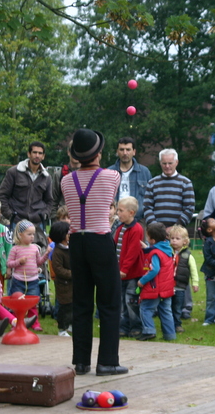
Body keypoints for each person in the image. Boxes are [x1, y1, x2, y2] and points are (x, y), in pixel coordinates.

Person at [61, 128, 127, 376]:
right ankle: (107, 361)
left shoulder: (66, 180)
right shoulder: (112, 176)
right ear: (98, 153)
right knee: (109, 301)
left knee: (81, 302)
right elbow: (108, 201)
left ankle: (81, 361)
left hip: (77, 241)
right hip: (100, 239)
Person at [0, 141, 52, 252]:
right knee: (14, 255)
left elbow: (50, 201)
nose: (37, 155)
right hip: (17, 221)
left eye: (40, 153)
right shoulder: (14, 172)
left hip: (37, 223)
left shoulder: (47, 177)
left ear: (43, 156)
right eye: (34, 152)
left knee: (38, 257)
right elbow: (1, 195)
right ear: (28, 154)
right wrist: (10, 214)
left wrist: (44, 215)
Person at [5, 220, 52, 331]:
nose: (32, 237)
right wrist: (18, 262)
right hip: (18, 280)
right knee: (18, 303)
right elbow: (9, 263)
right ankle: (17, 323)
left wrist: (46, 254)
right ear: (20, 235)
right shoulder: (15, 249)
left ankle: (35, 323)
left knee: (33, 303)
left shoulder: (35, 248)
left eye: (33, 234)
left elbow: (39, 262)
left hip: (33, 280)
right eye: (29, 234)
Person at [136, 222, 176, 341]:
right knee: (166, 310)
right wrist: (147, 248)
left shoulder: (155, 253)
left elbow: (155, 269)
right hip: (167, 287)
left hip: (155, 287)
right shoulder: (167, 249)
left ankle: (149, 331)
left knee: (145, 308)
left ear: (152, 239)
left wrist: (142, 281)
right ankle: (170, 335)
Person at [114, 196, 145, 339]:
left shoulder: (136, 229)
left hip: (131, 274)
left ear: (131, 213)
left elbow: (133, 253)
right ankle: (123, 327)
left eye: (121, 210)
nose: (118, 213)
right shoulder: (120, 228)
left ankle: (136, 327)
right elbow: (114, 248)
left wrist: (124, 270)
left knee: (131, 301)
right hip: (119, 273)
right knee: (120, 302)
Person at [144, 148, 195, 230]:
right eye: (164, 163)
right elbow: (147, 207)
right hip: (156, 232)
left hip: (178, 233)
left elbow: (189, 208)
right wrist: (156, 228)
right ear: (160, 163)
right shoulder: (152, 183)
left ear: (176, 162)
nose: (167, 166)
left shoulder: (185, 183)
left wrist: (175, 227)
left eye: (170, 163)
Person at [108, 137, 152, 220]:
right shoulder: (109, 172)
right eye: (121, 150)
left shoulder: (144, 172)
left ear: (134, 152)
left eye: (128, 150)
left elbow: (150, 198)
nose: (125, 153)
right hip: (114, 220)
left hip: (138, 219)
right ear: (117, 152)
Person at [169, 225, 199, 333]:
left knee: (177, 307)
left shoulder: (188, 255)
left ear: (185, 241)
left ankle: (177, 324)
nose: (174, 241)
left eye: (177, 239)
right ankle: (168, 324)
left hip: (180, 286)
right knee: (168, 306)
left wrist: (195, 283)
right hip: (168, 285)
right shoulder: (167, 253)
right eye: (172, 238)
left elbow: (193, 270)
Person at [49, 221, 73, 337]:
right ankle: (62, 328)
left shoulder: (71, 247)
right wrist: (73, 274)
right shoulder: (58, 252)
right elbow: (58, 269)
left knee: (73, 305)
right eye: (68, 233)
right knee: (65, 306)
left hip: (73, 284)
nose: (70, 235)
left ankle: (71, 325)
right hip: (63, 284)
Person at [51, 140, 80, 221]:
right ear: (68, 152)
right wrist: (55, 220)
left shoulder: (89, 174)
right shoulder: (59, 174)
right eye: (73, 151)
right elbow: (53, 200)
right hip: (64, 219)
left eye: (78, 151)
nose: (75, 154)